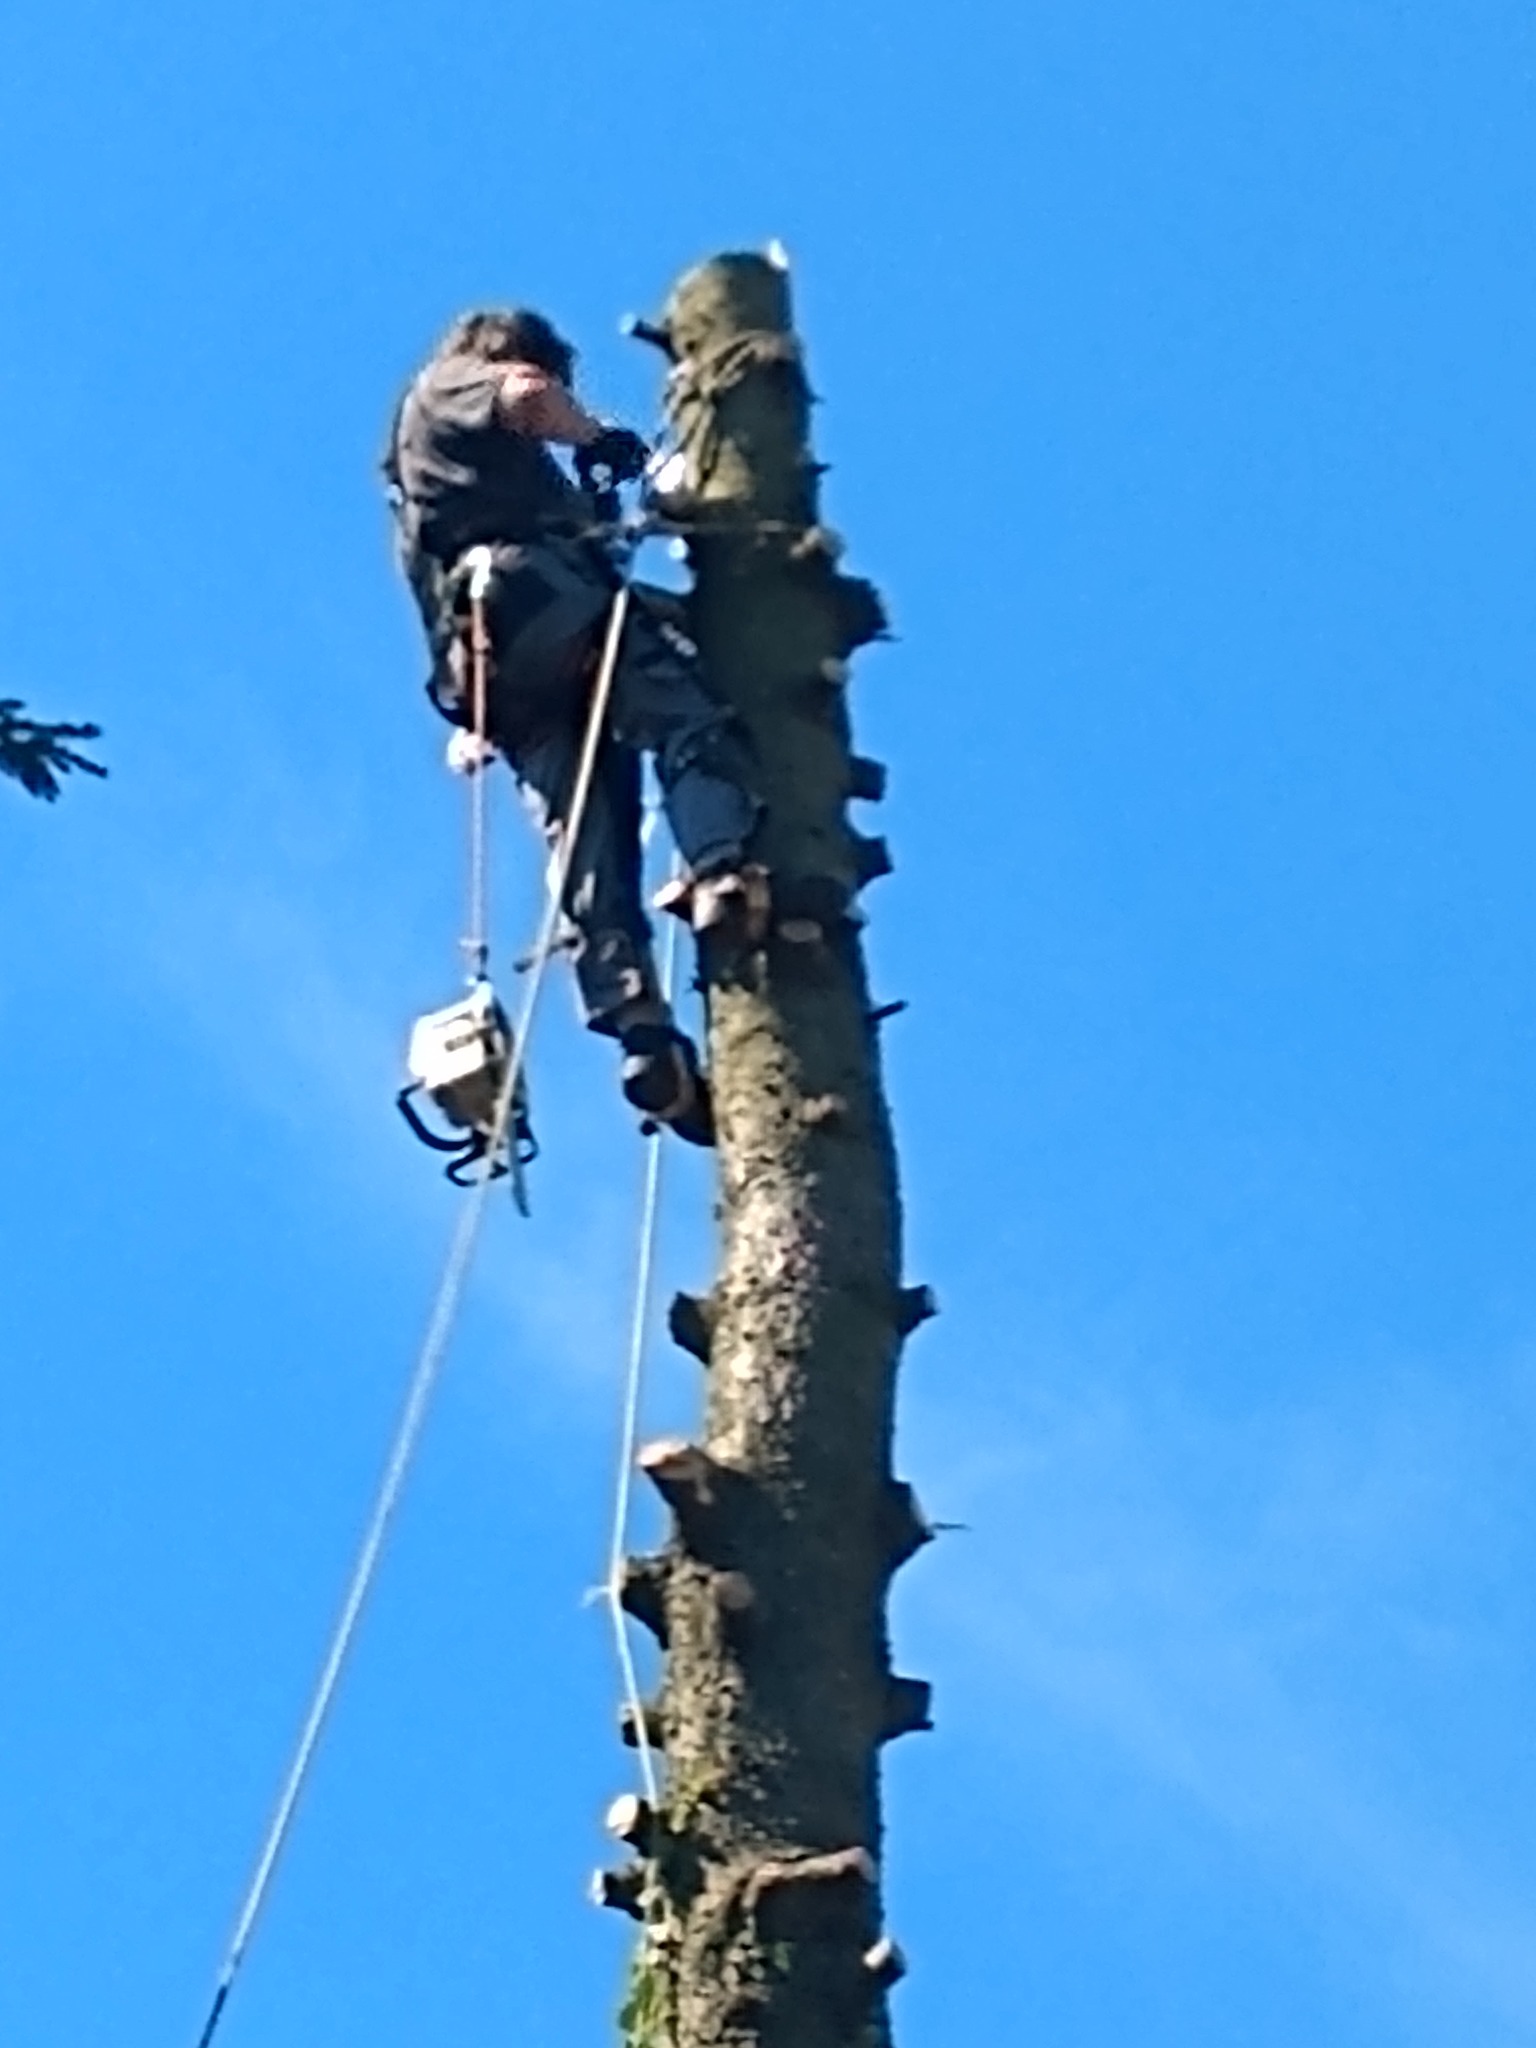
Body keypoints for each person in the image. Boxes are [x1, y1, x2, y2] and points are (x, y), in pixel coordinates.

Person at [384, 307, 762, 1145]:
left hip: (503, 676)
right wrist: (596, 436)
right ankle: (723, 870)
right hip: (537, 611)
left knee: (586, 848)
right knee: (687, 717)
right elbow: (523, 396)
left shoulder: (456, 488)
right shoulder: (449, 389)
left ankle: (643, 1033)